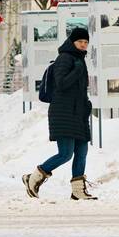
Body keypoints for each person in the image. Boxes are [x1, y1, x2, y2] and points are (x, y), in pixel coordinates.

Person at [22, 26, 97, 201]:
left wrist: (86, 104)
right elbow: (62, 84)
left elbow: (78, 89)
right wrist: (77, 71)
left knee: (82, 151)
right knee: (65, 153)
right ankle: (33, 178)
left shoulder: (79, 59)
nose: (83, 45)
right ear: (72, 42)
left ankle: (78, 190)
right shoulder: (64, 58)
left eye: (86, 42)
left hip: (78, 113)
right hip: (63, 113)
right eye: (80, 41)